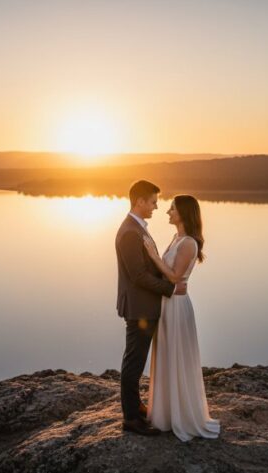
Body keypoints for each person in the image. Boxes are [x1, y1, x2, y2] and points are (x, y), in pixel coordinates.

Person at [142, 194, 220, 441]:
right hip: (167, 304)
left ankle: (181, 415)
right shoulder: (177, 238)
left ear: (184, 213)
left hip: (176, 305)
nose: (167, 212)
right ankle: (165, 412)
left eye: (172, 208)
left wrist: (153, 255)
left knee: (176, 354)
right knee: (166, 354)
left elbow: (175, 277)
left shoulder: (188, 243)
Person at [115, 180, 187, 436]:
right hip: (139, 308)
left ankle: (136, 407)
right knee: (133, 362)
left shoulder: (137, 228)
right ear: (140, 201)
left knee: (136, 360)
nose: (157, 207)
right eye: (154, 202)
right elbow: (137, 276)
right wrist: (170, 289)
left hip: (144, 306)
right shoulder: (130, 232)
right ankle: (131, 419)